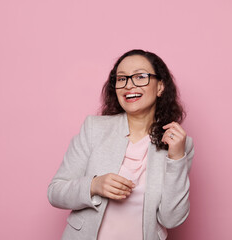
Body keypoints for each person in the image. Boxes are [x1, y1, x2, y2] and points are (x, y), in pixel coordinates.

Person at [47, 49, 194, 240]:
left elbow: (171, 219)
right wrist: (94, 185)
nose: (129, 85)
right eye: (122, 79)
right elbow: (55, 192)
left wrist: (176, 158)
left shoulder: (180, 144)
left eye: (140, 76)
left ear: (160, 87)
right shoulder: (94, 128)